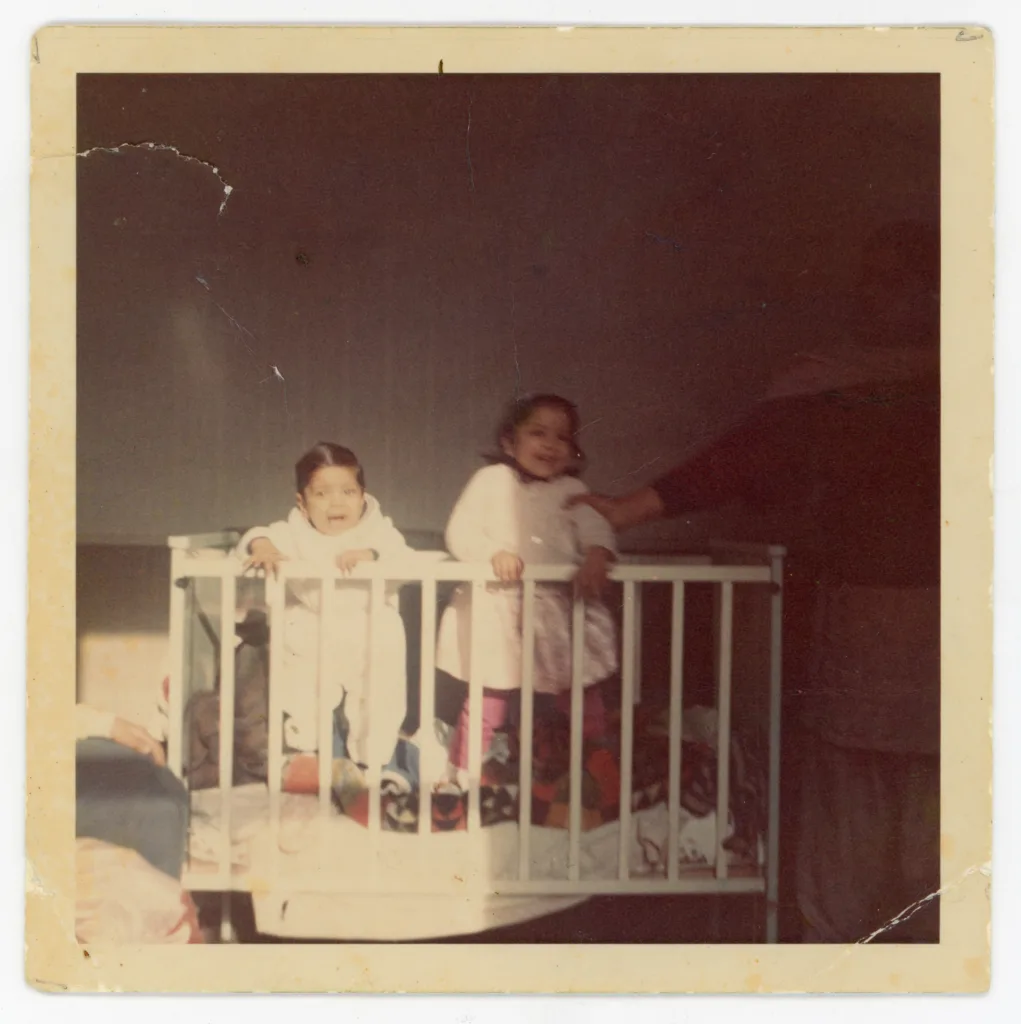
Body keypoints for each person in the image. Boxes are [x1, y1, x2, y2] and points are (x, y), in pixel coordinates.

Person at [569, 221, 940, 943]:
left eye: (894, 278)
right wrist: (625, 510)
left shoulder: (981, 370)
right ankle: (842, 951)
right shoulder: (827, 380)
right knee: (852, 789)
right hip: (862, 611)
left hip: (954, 619)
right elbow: (739, 460)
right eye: (868, 278)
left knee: (945, 790)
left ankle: (935, 957)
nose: (871, 293)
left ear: (935, 289)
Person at [434, 393, 619, 790]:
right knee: (490, 694)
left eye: (562, 437)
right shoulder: (490, 480)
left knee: (580, 690)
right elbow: (459, 531)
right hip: (499, 605)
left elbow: (597, 530)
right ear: (509, 441)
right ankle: (465, 771)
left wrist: (597, 555)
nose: (550, 445)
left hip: (559, 609)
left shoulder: (573, 489)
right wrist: (492, 553)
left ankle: (594, 765)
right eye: (538, 433)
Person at [237, 442, 414, 789]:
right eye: (322, 493)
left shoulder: (378, 530)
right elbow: (257, 534)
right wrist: (263, 547)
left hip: (369, 626)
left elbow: (404, 557)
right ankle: (306, 752)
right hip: (313, 626)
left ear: (363, 496)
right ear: (302, 503)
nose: (337, 503)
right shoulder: (293, 531)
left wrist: (372, 554)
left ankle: (375, 761)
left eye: (348, 491)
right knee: (302, 688)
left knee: (379, 694)